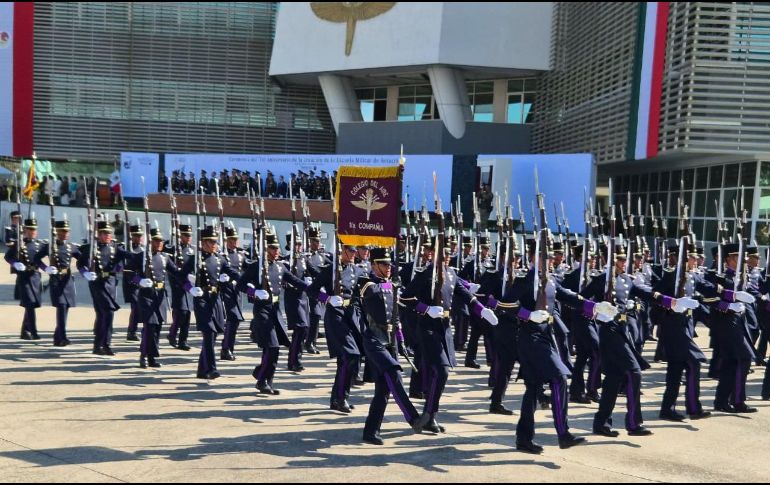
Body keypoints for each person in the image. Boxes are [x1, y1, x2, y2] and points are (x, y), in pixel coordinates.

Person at [357, 247, 431, 445]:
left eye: (389, 264)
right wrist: (392, 285)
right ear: (374, 265)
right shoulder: (366, 281)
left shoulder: (392, 284)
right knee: (394, 372)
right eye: (383, 264)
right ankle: (413, 418)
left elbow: (396, 317)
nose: (388, 267)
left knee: (383, 389)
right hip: (374, 338)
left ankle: (370, 431)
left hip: (391, 340)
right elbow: (370, 292)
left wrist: (402, 341)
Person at [77, 220, 131, 355]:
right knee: (108, 311)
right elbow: (80, 264)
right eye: (105, 233)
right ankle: (103, 345)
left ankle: (101, 345)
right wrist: (85, 273)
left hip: (110, 283)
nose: (108, 235)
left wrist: (143, 253)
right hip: (97, 283)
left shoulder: (115, 247)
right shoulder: (91, 248)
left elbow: (127, 257)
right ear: (99, 234)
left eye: (109, 233)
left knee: (103, 315)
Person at [5, 216, 49, 340]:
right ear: (25, 230)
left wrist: (47, 268)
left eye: (34, 229)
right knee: (29, 304)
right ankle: (33, 331)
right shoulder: (20, 243)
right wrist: (15, 264)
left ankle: (25, 331)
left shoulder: (41, 244)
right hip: (24, 277)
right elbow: (8, 257)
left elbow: (51, 253)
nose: (32, 232)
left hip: (35, 276)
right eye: (30, 229)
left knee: (32, 304)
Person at [38, 217, 80, 346]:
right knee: (61, 307)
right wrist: (46, 268)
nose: (65, 233)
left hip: (67, 280)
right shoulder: (50, 246)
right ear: (57, 231)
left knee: (66, 308)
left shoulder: (71, 247)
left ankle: (57, 336)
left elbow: (83, 259)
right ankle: (62, 337)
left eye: (67, 231)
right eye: (63, 231)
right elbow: (36, 258)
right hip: (56, 280)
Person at [220, 225, 247, 361]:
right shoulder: (221, 255)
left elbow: (248, 269)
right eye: (231, 240)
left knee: (235, 321)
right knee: (233, 318)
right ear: (226, 240)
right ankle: (226, 349)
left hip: (237, 290)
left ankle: (228, 347)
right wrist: (219, 278)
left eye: (235, 239)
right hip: (225, 289)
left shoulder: (241, 254)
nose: (233, 242)